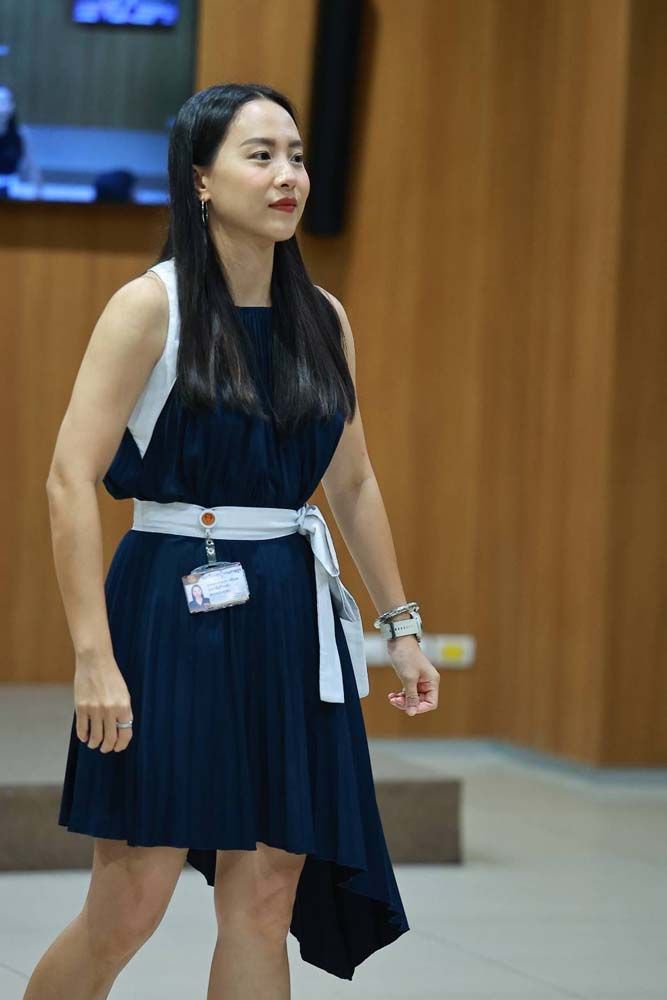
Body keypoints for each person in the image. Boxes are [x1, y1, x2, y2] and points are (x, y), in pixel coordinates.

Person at [32, 82, 440, 999]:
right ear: (200, 180)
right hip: (171, 606)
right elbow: (67, 479)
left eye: (295, 155)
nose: (287, 174)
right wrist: (94, 658)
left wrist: (401, 626)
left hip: (289, 610)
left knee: (265, 896)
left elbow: (352, 482)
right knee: (129, 900)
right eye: (260, 156)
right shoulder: (149, 307)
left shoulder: (323, 317)